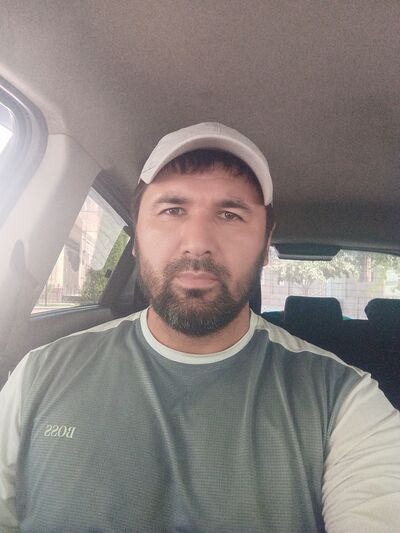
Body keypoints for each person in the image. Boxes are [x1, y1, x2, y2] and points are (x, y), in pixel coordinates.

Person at [0, 122, 399, 532]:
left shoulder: (344, 401)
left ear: (265, 244)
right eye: (173, 210)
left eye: (229, 214)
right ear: (136, 236)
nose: (197, 242)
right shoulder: (39, 374)